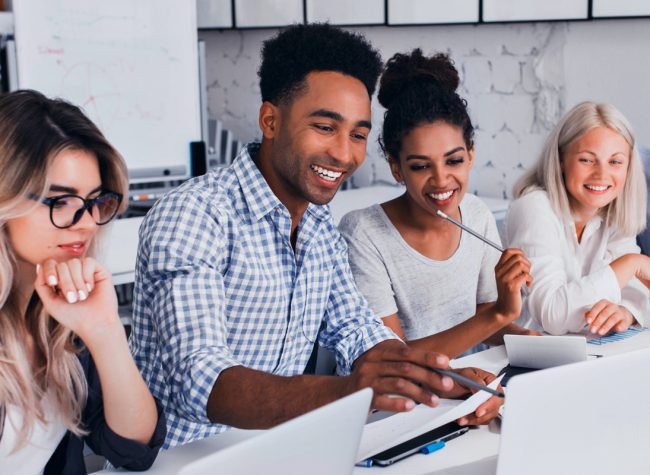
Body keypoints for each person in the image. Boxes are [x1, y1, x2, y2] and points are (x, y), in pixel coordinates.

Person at [130, 24, 502, 449]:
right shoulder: (194, 214)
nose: (345, 154)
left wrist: (434, 378)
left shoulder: (318, 227)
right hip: (183, 458)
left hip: (279, 449)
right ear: (270, 120)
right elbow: (198, 378)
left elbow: (357, 331)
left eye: (358, 135)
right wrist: (349, 393)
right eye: (325, 127)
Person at [0, 90, 166, 474]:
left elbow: (134, 449)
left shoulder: (59, 319)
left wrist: (104, 331)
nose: (88, 222)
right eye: (61, 201)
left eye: (94, 201)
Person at [338, 49, 534, 359]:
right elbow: (392, 357)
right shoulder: (363, 232)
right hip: (403, 398)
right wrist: (500, 313)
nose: (441, 179)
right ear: (396, 167)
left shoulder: (476, 214)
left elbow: (485, 323)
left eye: (454, 160)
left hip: (470, 385)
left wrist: (533, 340)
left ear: (470, 154)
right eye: (420, 166)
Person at [506, 101, 650, 335]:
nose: (601, 174)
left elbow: (640, 291)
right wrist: (632, 264)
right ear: (561, 160)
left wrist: (626, 311)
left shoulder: (614, 210)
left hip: (589, 351)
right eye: (587, 159)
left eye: (614, 162)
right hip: (531, 356)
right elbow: (552, 316)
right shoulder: (534, 207)